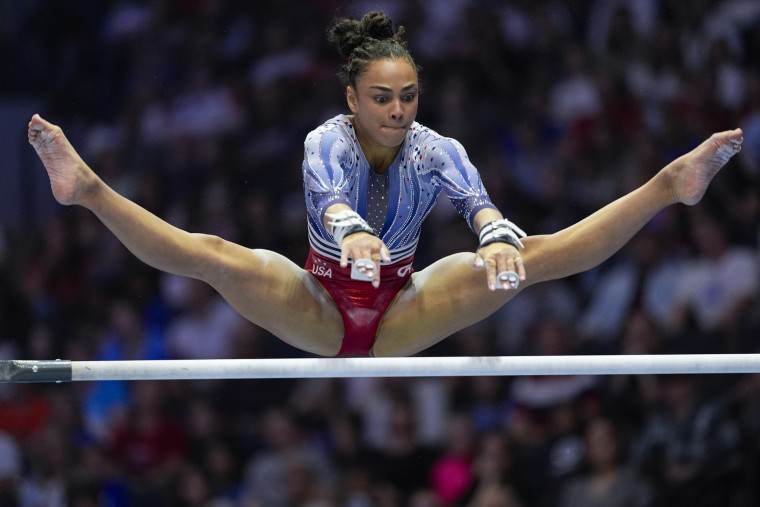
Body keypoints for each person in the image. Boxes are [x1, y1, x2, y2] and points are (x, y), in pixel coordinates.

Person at [27, 11, 743, 358]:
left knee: (532, 259)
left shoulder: (437, 149)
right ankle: (88, 187)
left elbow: (480, 203)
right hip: (316, 302)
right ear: (351, 98)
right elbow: (330, 197)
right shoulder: (323, 143)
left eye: (408, 96)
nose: (398, 110)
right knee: (212, 252)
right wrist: (357, 233)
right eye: (382, 98)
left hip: (402, 308)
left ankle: (665, 185)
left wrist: (496, 242)